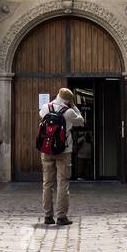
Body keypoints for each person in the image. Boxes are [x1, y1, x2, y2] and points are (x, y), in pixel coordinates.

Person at [38, 87, 84, 226]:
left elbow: (41, 115)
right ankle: (61, 216)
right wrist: (74, 106)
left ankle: (47, 216)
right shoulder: (69, 112)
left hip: (46, 150)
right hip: (64, 151)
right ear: (68, 100)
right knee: (62, 182)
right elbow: (81, 121)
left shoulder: (46, 107)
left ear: (57, 95)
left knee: (47, 183)